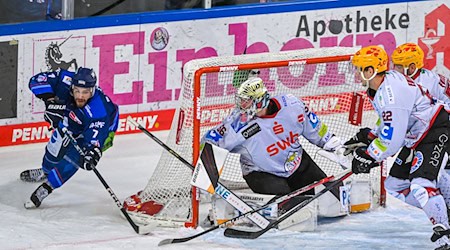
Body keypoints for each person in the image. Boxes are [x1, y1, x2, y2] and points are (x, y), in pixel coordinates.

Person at [347, 45, 450, 249]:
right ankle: (442, 208)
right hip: (418, 135)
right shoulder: (383, 84)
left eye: (359, 68)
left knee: (421, 184)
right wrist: (371, 136)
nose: (356, 73)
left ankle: (444, 236)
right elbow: (390, 123)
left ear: (371, 71)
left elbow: (392, 140)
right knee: (395, 184)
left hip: (436, 129)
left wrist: (369, 156)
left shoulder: (392, 94)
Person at [202, 77, 343, 196]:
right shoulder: (238, 123)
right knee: (288, 206)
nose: (242, 105)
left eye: (247, 101)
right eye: (241, 100)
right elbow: (211, 142)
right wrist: (204, 176)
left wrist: (336, 146)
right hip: (261, 174)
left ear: (260, 100)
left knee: (330, 195)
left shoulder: (292, 105)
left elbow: (315, 129)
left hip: (297, 164)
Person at [23, 67, 119, 209]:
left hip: (104, 129)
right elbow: (35, 81)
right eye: (77, 90)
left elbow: (95, 137)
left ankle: (47, 187)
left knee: (75, 157)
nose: (80, 96)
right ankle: (45, 172)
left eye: (86, 92)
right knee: (54, 148)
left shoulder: (98, 110)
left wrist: (92, 153)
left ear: (92, 90)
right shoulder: (64, 79)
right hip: (74, 120)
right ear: (72, 86)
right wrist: (50, 102)